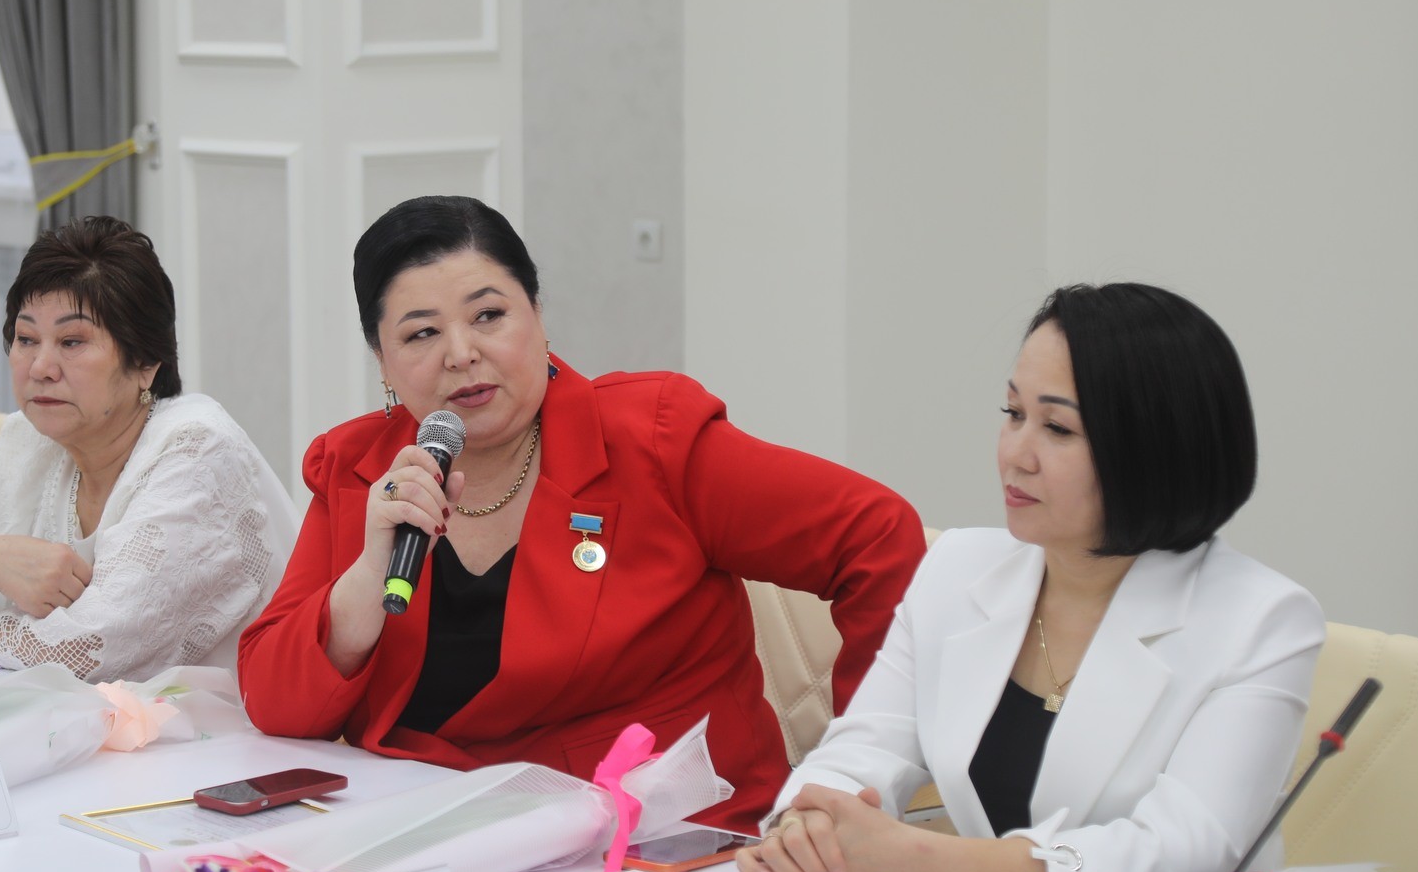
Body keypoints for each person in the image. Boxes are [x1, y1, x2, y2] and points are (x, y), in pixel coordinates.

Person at [237, 196, 925, 829]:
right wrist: (367, 576)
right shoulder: (362, 471)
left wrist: (854, 780)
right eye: (421, 334)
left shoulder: (655, 443)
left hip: (667, 848)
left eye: (488, 316)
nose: (461, 354)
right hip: (448, 844)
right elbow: (275, 702)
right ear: (383, 362)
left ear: (537, 316)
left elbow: (877, 535)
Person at [738, 283, 1325, 872]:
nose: (1016, 455)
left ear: (1156, 448)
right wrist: (807, 831)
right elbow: (865, 748)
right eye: (1014, 413)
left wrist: (916, 860)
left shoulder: (1263, 620)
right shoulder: (958, 568)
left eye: (1057, 428)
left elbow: (1181, 851)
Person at [0, 218, 299, 679]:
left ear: (145, 361)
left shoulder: (196, 447)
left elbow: (90, 647)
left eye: (72, 342)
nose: (41, 367)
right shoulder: (27, 441)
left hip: (219, 721)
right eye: (26, 339)